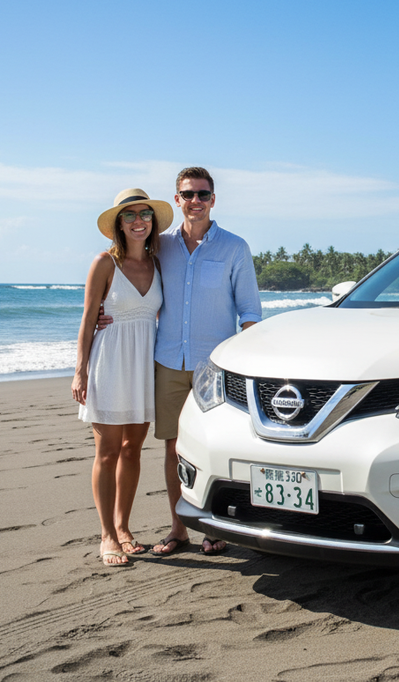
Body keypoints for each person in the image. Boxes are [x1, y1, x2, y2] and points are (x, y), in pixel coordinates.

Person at [103, 167, 262, 557]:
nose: (195, 202)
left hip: (216, 368)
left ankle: (216, 527)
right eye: (188, 195)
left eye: (203, 195)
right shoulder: (162, 246)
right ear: (177, 200)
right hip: (168, 361)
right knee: (174, 448)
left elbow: (250, 312)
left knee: (215, 447)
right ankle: (180, 529)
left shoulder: (235, 247)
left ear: (213, 199)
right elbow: (129, 278)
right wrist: (99, 315)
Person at [72, 188, 174, 567]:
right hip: (110, 363)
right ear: (119, 224)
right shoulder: (104, 263)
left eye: (144, 214)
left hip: (145, 365)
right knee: (108, 450)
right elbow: (87, 320)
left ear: (152, 222)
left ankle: (124, 527)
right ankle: (106, 536)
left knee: (133, 449)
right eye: (129, 215)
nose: (138, 222)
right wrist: (79, 370)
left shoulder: (159, 264)